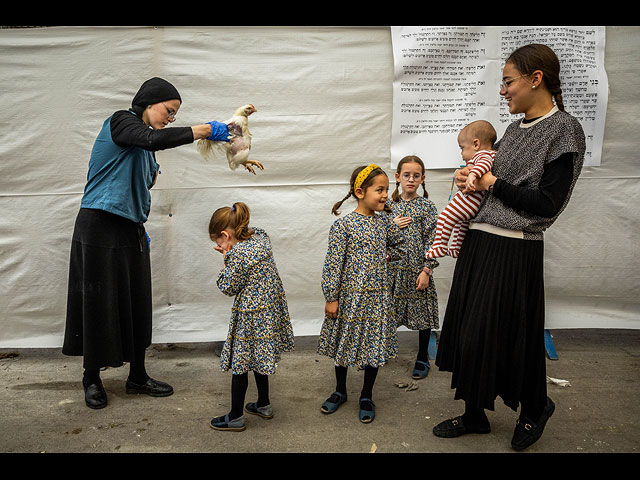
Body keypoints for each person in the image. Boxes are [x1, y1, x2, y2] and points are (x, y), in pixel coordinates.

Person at [432, 44, 586, 451]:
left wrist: (491, 184)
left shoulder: (564, 130)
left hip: (515, 250)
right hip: (480, 243)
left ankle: (535, 407)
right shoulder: (515, 131)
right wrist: (470, 177)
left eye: (508, 81)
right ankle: (474, 413)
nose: (503, 91)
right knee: (469, 333)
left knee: (513, 338)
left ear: (536, 79)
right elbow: (486, 186)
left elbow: (548, 204)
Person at [63, 77, 231, 410]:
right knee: (98, 302)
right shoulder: (120, 122)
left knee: (137, 301)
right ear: (149, 102)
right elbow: (149, 139)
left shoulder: (143, 149)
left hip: (130, 229)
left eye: (174, 114)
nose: (170, 118)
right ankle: (91, 377)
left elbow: (145, 161)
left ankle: (137, 375)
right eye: (168, 111)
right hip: (98, 225)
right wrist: (203, 130)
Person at [317, 164, 404, 423]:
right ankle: (340, 390)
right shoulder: (344, 226)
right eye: (380, 190)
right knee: (343, 343)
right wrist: (331, 297)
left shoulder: (385, 223)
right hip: (349, 299)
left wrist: (385, 261)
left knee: (373, 347)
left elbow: (399, 248)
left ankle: (366, 395)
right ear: (359, 192)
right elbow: (333, 264)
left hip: (377, 299)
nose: (386, 194)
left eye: (387, 189)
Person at [208, 202, 295, 432]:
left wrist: (226, 258)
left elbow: (227, 286)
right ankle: (263, 404)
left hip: (250, 316)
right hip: (269, 312)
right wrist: (231, 247)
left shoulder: (238, 255)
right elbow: (247, 233)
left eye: (219, 241)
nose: (220, 246)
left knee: (241, 365)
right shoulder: (260, 238)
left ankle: (235, 416)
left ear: (226, 234)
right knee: (259, 359)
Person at [387, 156, 439, 379]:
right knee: (387, 313)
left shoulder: (427, 207)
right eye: (406, 175)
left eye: (416, 176)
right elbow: (376, 237)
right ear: (397, 177)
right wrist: (390, 224)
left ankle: (421, 356)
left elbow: (433, 240)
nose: (411, 179)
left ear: (422, 179)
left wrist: (426, 270)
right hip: (392, 273)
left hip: (417, 272)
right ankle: (380, 351)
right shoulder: (387, 207)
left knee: (422, 315)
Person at [426, 121, 497, 259]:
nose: (461, 153)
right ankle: (456, 247)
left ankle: (440, 245)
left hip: (468, 200)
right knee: (461, 224)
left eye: (462, 148)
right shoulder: (492, 154)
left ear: (476, 144)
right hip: (474, 205)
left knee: (445, 217)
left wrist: (472, 174)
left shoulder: (482, 155)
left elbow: (484, 164)